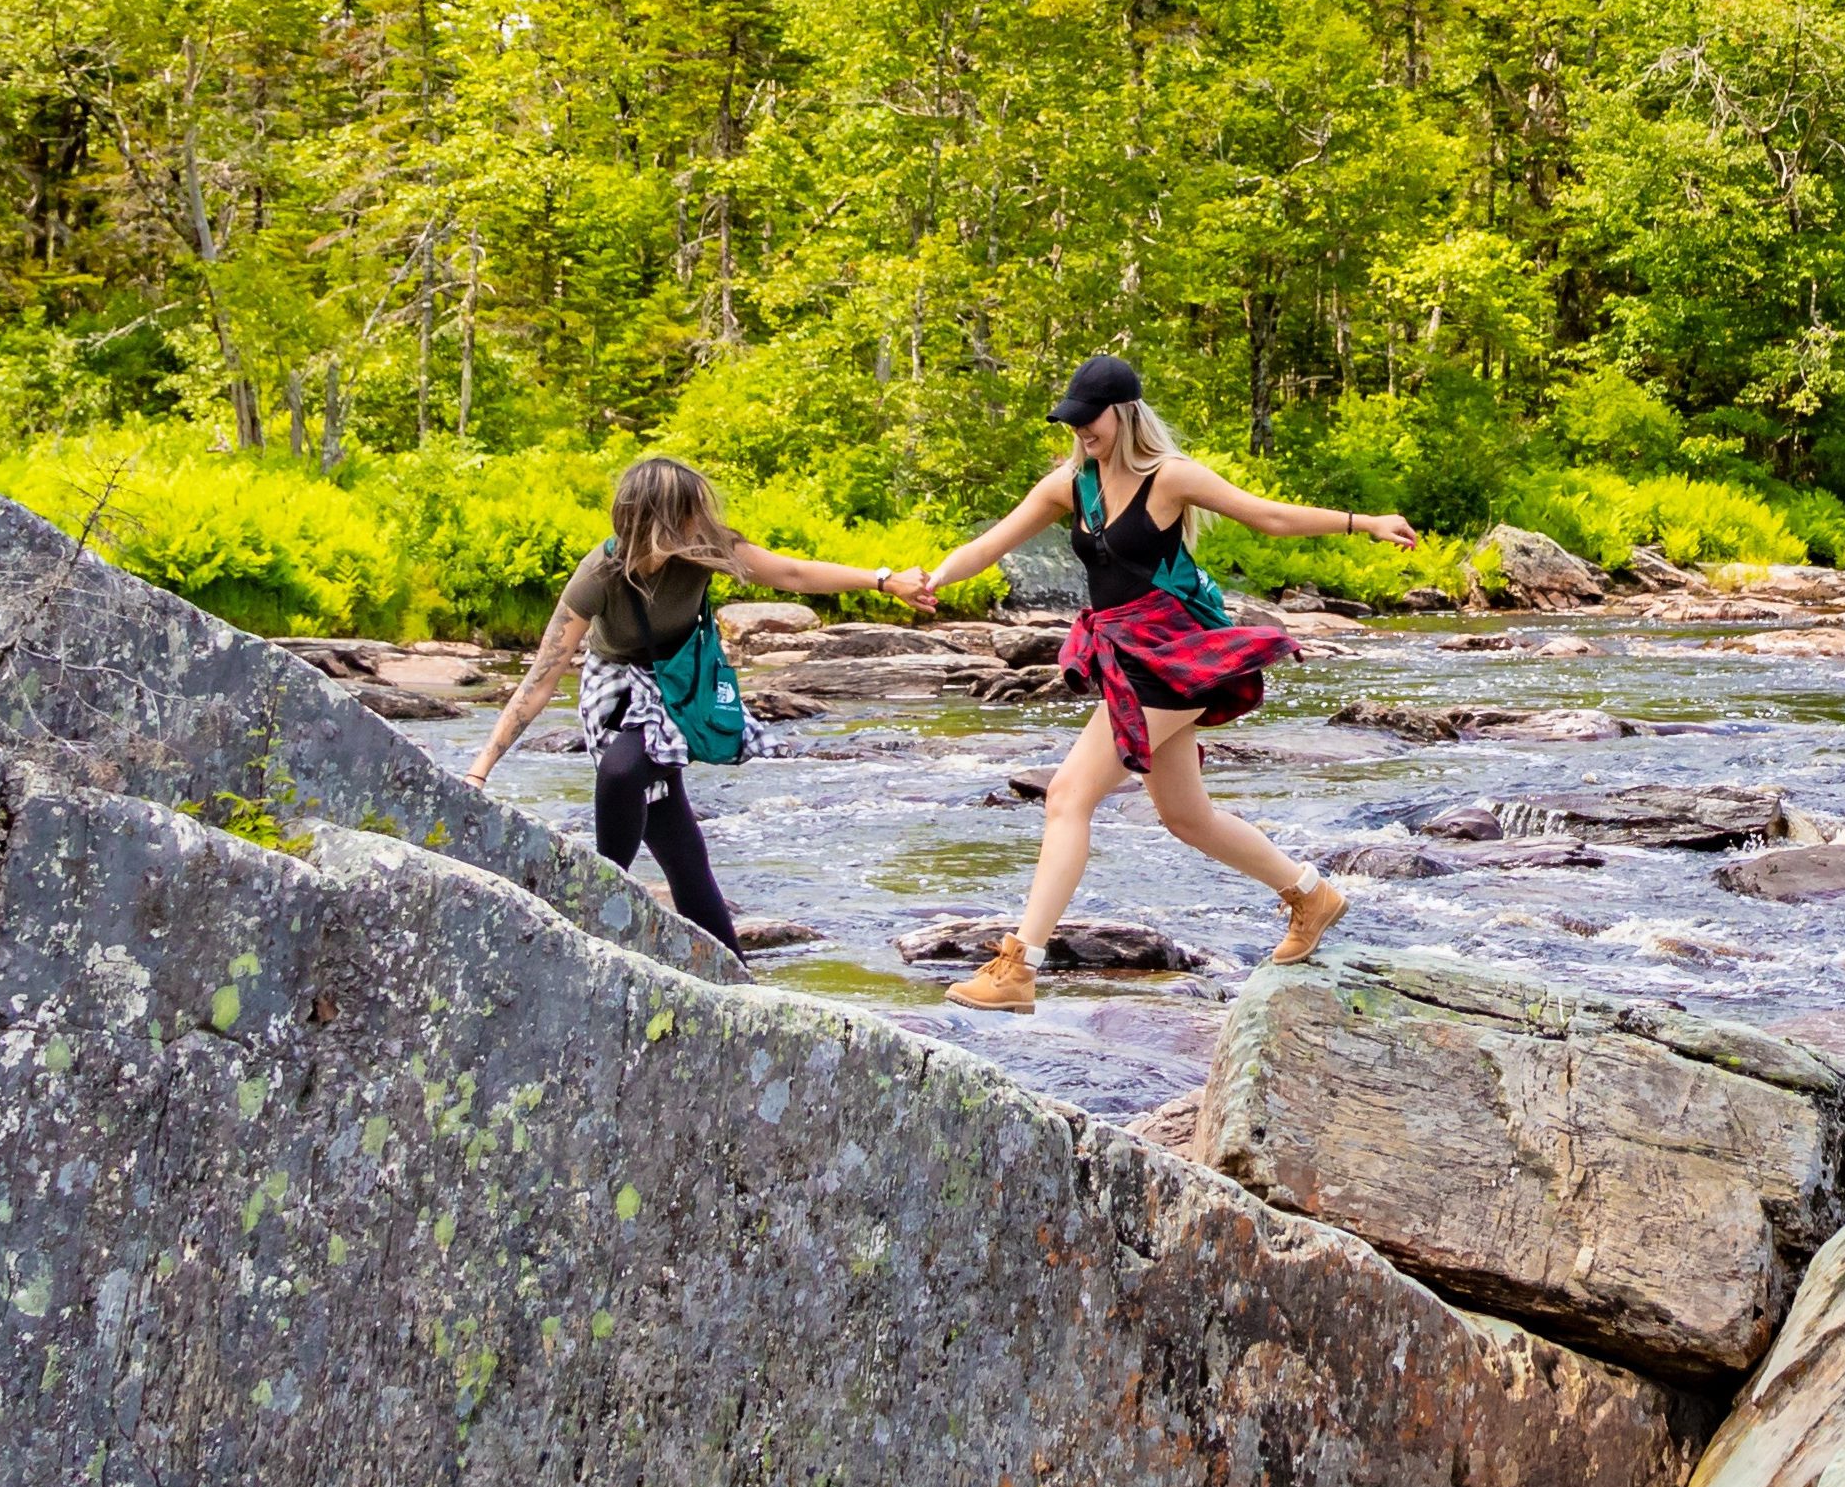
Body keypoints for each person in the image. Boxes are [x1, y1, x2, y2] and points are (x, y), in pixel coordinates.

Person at [925, 352, 1418, 1011]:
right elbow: (990, 544)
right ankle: (1310, 894)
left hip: (1175, 654)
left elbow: (1267, 515)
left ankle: (1019, 967)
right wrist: (929, 579)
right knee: (1186, 816)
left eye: (1088, 421)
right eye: (1071, 424)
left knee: (1068, 795)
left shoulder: (1170, 477)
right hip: (1124, 655)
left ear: (1123, 414)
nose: (1080, 433)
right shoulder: (1071, 485)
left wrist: (1365, 522)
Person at [464, 452, 925, 955]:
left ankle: (611, 920)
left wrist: (884, 580)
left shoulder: (706, 549)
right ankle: (681, 947)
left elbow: (792, 574)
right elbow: (541, 676)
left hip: (678, 682)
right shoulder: (600, 572)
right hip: (614, 686)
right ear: (659, 518)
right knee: (672, 838)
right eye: (689, 511)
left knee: (631, 781)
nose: (701, 521)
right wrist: (479, 771)